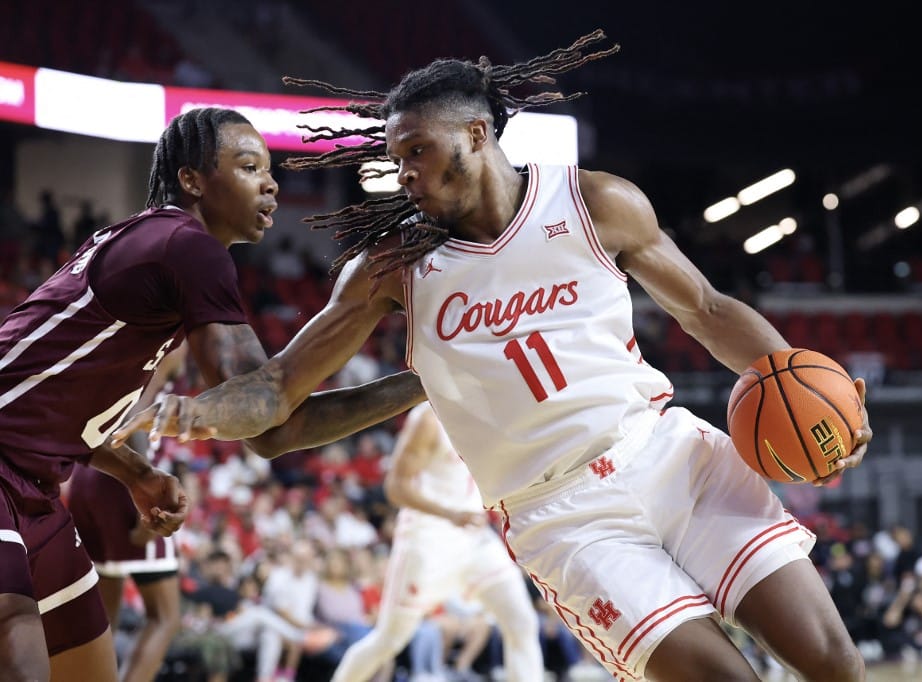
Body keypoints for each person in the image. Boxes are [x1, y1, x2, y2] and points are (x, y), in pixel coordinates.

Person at [118, 31, 873, 681]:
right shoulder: (390, 270)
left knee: (832, 660)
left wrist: (815, 394)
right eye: (394, 158)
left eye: (417, 151)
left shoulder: (597, 202)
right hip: (564, 518)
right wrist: (190, 414)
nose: (403, 172)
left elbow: (706, 310)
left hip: (669, 454)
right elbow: (278, 393)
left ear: (477, 136)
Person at [0, 107, 424, 681]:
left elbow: (51, 405)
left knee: (86, 665)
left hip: (36, 482)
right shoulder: (186, 246)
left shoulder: (163, 247)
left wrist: (136, 474)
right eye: (249, 166)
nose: (271, 182)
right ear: (192, 181)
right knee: (17, 635)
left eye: (269, 169)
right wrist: (429, 378)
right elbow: (272, 423)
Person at [330, 402, 543, 682]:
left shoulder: (489, 408)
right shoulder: (429, 419)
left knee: (521, 621)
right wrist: (451, 513)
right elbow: (395, 487)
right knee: (389, 640)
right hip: (427, 540)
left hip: (472, 537)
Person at [65, 344, 188, 682]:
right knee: (164, 616)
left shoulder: (124, 332)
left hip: (90, 476)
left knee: (104, 616)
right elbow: (134, 417)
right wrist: (145, 480)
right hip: (126, 480)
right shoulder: (170, 343)